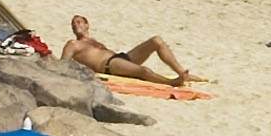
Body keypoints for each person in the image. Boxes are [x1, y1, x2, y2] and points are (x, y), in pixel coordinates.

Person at [62, 15, 197, 89]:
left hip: (120, 58)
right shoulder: (73, 44)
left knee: (156, 40)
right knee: (144, 71)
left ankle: (181, 72)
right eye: (73, 24)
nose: (76, 25)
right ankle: (171, 82)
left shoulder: (94, 41)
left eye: (79, 22)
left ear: (87, 25)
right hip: (109, 65)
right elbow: (63, 63)